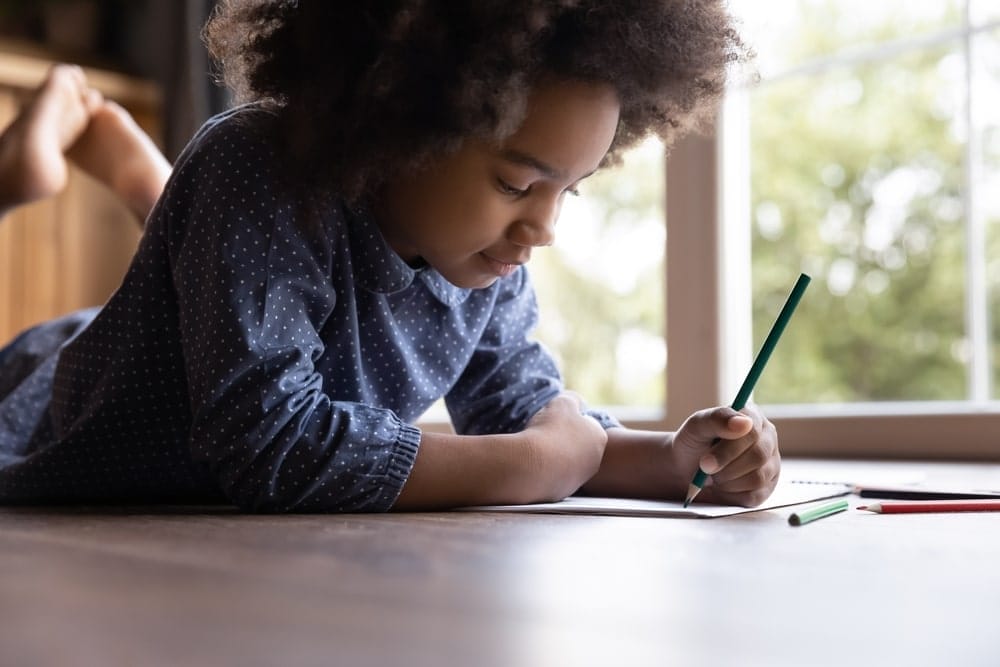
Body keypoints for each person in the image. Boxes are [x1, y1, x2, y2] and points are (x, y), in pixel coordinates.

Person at [0, 0, 779, 513]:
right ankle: (65, 138)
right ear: (404, 117)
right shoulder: (255, 165)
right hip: (47, 391)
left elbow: (528, 415)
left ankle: (127, 163)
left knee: (220, 256)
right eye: (517, 182)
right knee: (220, 224)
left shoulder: (486, 252)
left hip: (210, 316)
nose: (543, 228)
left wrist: (675, 461)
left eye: (566, 191)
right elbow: (270, 443)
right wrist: (536, 466)